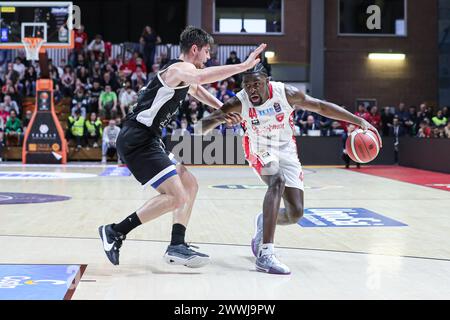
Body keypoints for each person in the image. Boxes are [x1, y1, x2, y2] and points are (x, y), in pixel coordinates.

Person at [98, 26, 266, 268]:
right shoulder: (180, 68)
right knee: (177, 197)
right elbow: (199, 79)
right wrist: (243, 67)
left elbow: (198, 90)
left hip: (148, 138)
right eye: (207, 52)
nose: (208, 57)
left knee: (189, 183)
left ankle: (177, 244)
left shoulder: (182, 75)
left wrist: (222, 111)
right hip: (138, 140)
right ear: (195, 49)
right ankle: (115, 232)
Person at [197, 63, 381, 275]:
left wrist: (359, 122)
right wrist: (222, 119)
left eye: (256, 84)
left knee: (295, 213)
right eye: (248, 85)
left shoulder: (285, 94)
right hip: (258, 148)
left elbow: (321, 107)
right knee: (277, 180)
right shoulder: (239, 102)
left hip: (286, 149)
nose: (252, 90)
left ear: (267, 82)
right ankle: (266, 254)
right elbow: (201, 127)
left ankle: (263, 221)